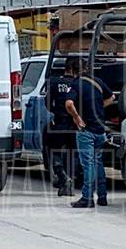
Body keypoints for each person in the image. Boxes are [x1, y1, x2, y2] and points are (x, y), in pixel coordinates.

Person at [65, 58, 115, 208]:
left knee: (88, 164)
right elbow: (112, 97)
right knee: (98, 162)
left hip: (86, 131)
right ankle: (102, 196)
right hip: (100, 130)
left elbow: (69, 103)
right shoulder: (97, 81)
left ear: (72, 70)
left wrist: (77, 117)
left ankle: (87, 198)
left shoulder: (76, 84)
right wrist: (98, 107)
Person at [44, 59, 78, 197]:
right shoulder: (77, 84)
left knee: (54, 152)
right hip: (74, 123)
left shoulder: (55, 82)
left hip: (59, 123)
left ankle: (64, 177)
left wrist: (56, 111)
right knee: (72, 153)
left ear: (65, 68)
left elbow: (47, 102)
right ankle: (69, 184)